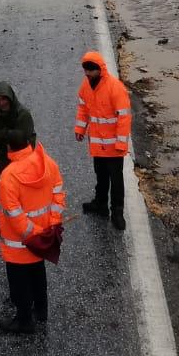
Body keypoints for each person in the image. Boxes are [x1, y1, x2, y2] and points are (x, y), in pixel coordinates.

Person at [0, 134, 65, 334]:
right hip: (43, 236)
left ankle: (24, 320)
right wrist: (50, 226)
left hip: (20, 243)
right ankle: (41, 311)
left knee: (18, 282)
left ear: (9, 146)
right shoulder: (48, 164)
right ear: (28, 143)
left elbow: (13, 214)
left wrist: (32, 235)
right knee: (37, 273)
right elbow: (58, 195)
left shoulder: (8, 177)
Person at [74, 49, 132, 231]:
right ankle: (100, 205)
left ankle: (117, 212)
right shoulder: (86, 85)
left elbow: (124, 117)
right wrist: (80, 128)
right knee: (101, 177)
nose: (87, 73)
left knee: (116, 181)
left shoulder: (115, 88)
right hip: (98, 145)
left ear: (99, 69)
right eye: (86, 70)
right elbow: (83, 108)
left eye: (90, 70)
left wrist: (121, 143)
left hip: (113, 147)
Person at [0, 81, 35, 172]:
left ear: (10, 99)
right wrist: (10, 135)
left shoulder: (23, 113)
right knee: (6, 180)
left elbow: (21, 137)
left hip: (23, 156)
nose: (1, 103)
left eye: (4, 99)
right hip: (4, 156)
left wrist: (2, 134)